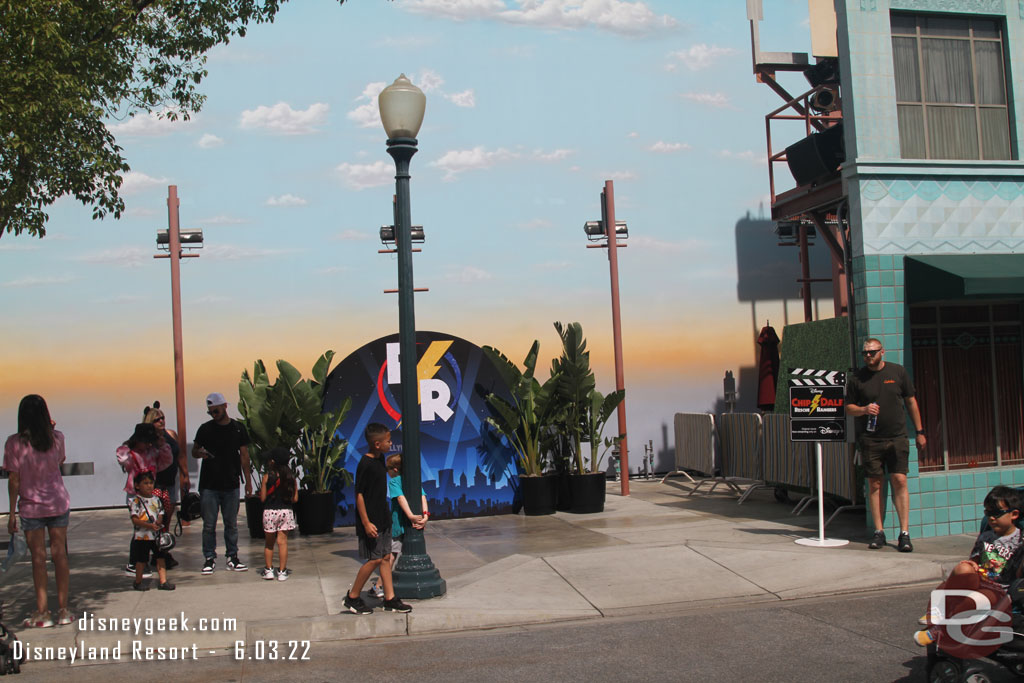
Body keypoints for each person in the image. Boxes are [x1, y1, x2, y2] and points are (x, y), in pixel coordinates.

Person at [913, 485, 1024, 646]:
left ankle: (941, 630)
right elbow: (975, 559)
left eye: (996, 513)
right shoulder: (986, 536)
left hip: (1002, 590)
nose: (991, 518)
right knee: (963, 568)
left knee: (978, 599)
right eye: (988, 513)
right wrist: (971, 565)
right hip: (981, 580)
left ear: (1014, 514)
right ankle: (940, 608)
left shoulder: (1020, 541)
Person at [847, 338, 926, 552]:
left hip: (897, 437)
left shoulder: (898, 372)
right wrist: (863, 410)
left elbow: (911, 401)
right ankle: (879, 532)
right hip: (871, 439)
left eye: (872, 352)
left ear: (882, 352)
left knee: (900, 480)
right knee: (875, 484)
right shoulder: (857, 379)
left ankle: (904, 533)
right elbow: (849, 408)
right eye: (865, 353)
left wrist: (919, 432)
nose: (868, 356)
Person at [4, 395, 72, 628]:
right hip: (58, 502)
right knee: (60, 556)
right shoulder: (57, 438)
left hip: (31, 506)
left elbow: (14, 480)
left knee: (38, 559)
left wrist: (11, 512)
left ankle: (43, 612)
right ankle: (64, 610)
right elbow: (60, 461)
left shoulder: (13, 443)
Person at [341, 423, 411, 615]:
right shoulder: (365, 464)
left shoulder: (381, 459)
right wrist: (366, 522)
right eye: (388, 441)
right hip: (371, 521)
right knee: (374, 560)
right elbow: (359, 495)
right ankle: (353, 597)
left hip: (383, 517)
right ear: (378, 444)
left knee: (386, 558)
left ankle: (390, 598)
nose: (391, 443)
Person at [192, 392, 252, 575]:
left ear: (225, 406)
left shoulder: (238, 429)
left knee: (231, 523)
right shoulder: (205, 429)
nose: (213, 415)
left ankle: (232, 556)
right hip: (209, 485)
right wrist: (200, 453)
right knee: (209, 524)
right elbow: (194, 450)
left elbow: (244, 456)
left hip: (231, 483)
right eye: (210, 412)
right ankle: (209, 558)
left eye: (216, 411)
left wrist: (248, 482)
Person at [367, 453, 429, 599]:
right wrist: (425, 516)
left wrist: (410, 516)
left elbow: (400, 498)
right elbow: (423, 497)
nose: (386, 472)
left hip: (397, 525)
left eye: (387, 468)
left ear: (394, 469)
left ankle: (378, 586)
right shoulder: (412, 481)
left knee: (390, 557)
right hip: (413, 524)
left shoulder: (394, 482)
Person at [116, 422, 172, 575]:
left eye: (149, 441)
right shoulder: (131, 454)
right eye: (144, 440)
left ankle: (143, 561)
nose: (147, 444)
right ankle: (135, 562)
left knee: (150, 529)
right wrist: (127, 446)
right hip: (135, 496)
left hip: (151, 496)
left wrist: (162, 445)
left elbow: (166, 461)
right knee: (140, 529)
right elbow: (122, 459)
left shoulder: (153, 452)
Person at [127, 470, 175, 591]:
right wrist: (149, 526)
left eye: (151, 483)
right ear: (137, 485)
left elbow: (161, 513)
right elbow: (135, 520)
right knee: (141, 560)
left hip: (156, 536)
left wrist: (159, 521)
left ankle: (163, 581)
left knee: (160, 558)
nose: (149, 485)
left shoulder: (156, 500)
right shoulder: (135, 501)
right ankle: (138, 581)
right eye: (145, 483)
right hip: (142, 536)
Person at [142, 401, 190, 516]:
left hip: (170, 482)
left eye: (162, 418)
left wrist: (185, 475)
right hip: (153, 483)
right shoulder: (146, 440)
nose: (161, 421)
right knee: (155, 515)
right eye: (157, 420)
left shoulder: (171, 434)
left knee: (169, 511)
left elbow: (181, 455)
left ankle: (165, 532)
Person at [259, 448, 299, 581]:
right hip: (285, 511)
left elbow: (263, 498)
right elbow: (295, 499)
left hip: (270, 511)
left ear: (273, 462)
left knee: (269, 543)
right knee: (283, 542)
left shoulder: (267, 476)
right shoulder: (291, 478)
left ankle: (269, 570)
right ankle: (282, 571)